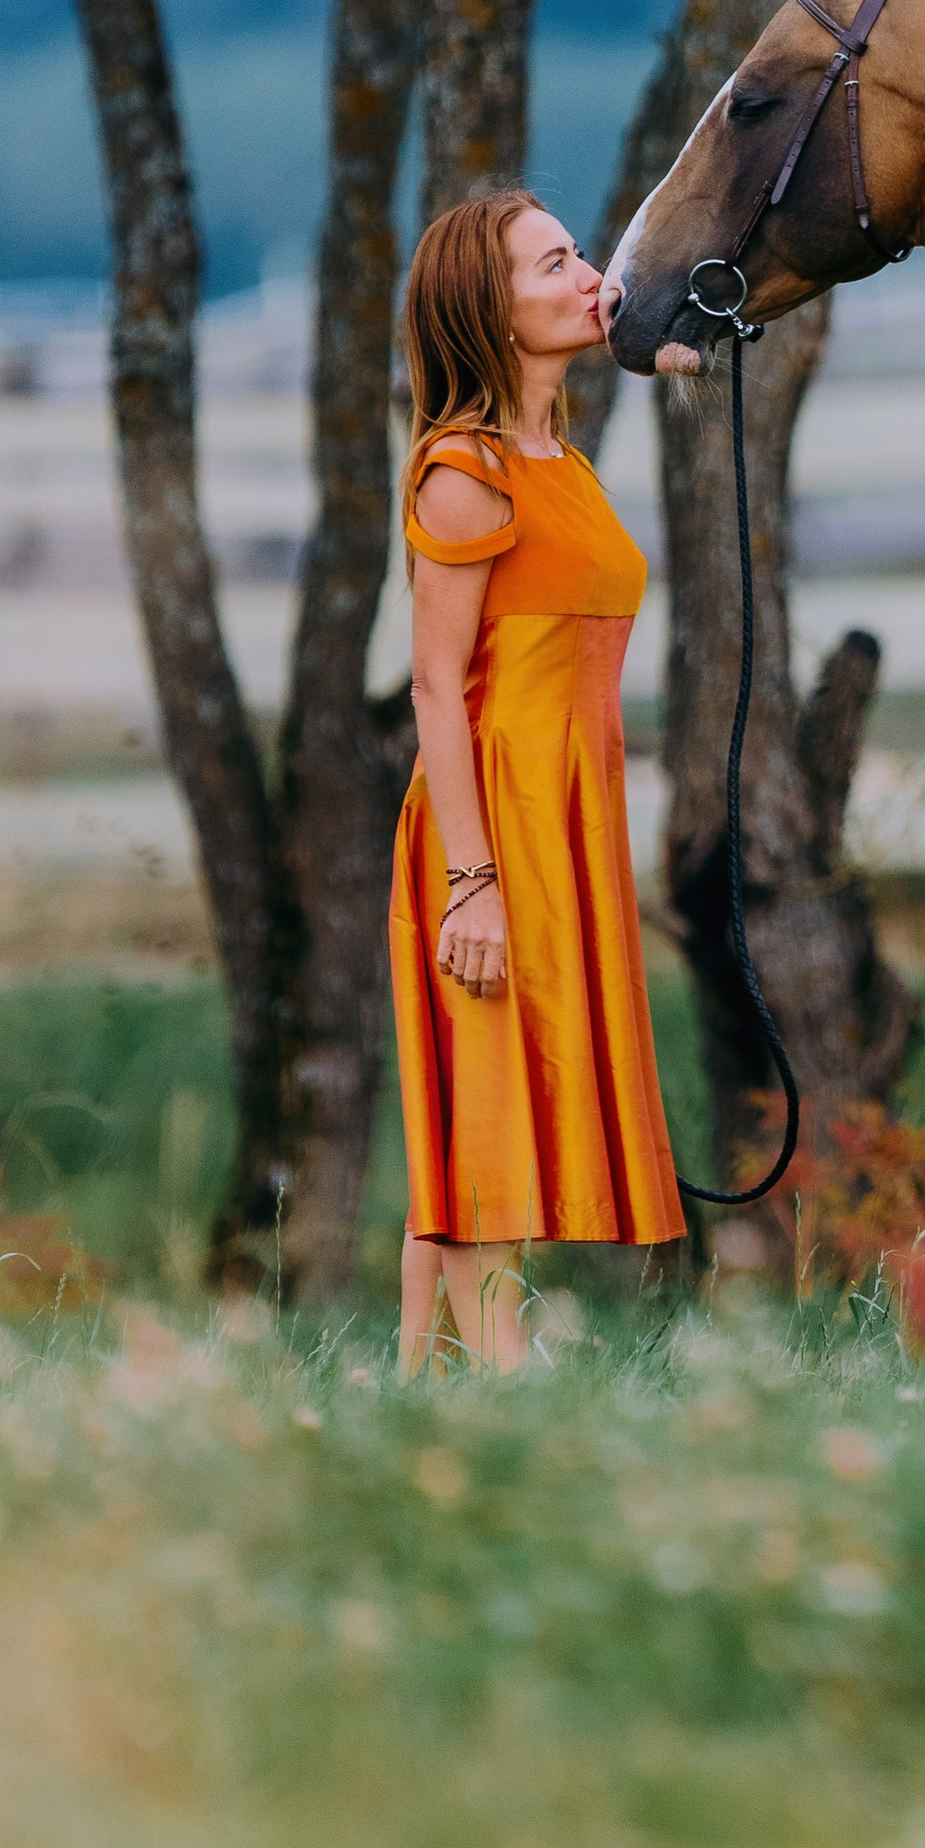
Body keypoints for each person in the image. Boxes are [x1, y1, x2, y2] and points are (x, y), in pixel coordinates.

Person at [389, 192, 684, 1374]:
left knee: (480, 1096)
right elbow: (430, 688)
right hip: (491, 824)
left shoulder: (557, 454)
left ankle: (417, 1382)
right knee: (490, 1109)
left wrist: (656, 336)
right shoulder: (466, 470)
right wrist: (472, 882)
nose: (587, 273)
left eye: (581, 256)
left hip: (572, 814)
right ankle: (513, 1383)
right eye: (553, 263)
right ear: (492, 312)